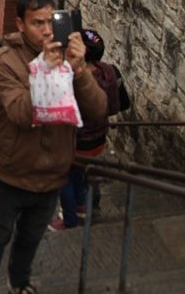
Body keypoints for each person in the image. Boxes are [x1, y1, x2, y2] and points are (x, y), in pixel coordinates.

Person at [0, 0, 107, 294]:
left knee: (31, 237)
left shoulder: (67, 59)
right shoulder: (5, 60)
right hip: (10, 171)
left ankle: (18, 283)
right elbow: (19, 112)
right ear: (20, 24)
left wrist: (79, 69)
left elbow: (98, 110)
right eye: (37, 23)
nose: (46, 30)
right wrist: (45, 71)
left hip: (52, 172)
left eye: (50, 21)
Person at [50, 28, 130, 231]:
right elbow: (121, 105)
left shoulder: (72, 78)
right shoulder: (111, 71)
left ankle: (69, 219)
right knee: (80, 173)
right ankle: (82, 207)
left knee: (64, 178)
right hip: (98, 140)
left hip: (76, 142)